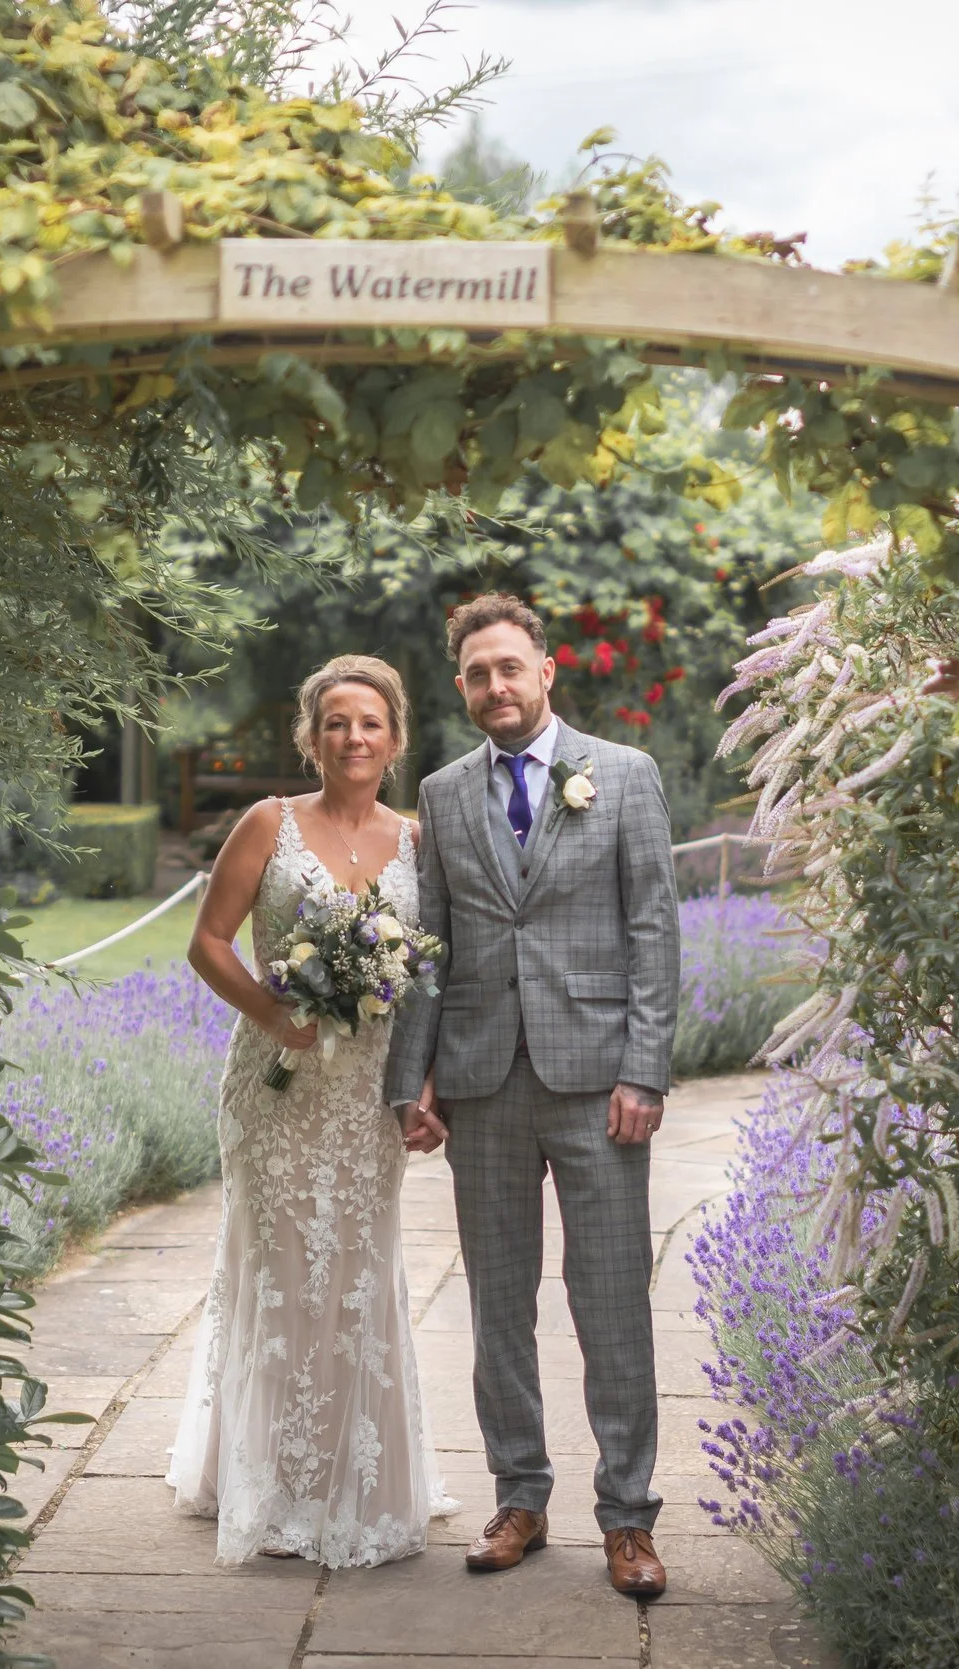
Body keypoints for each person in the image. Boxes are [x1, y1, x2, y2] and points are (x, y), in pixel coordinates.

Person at [384, 594, 681, 1598]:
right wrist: (409, 1083)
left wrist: (645, 1069)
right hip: (480, 1083)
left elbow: (652, 931)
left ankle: (629, 1517)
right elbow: (430, 951)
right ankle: (519, 1496)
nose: (495, 687)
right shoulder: (441, 792)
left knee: (608, 1305)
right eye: (476, 674)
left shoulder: (624, 776)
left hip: (599, 1081)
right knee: (497, 1303)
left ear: (546, 670)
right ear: (461, 684)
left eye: (509, 668)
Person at [166, 655, 455, 1567]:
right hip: (277, 1088)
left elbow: (436, 979)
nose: (353, 737)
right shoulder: (269, 825)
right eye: (335, 722)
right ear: (311, 736)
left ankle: (358, 1477)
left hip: (370, 1093)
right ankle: (269, 1481)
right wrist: (271, 1012)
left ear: (395, 739)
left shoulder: (419, 841)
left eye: (370, 723)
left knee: (358, 1271)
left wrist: (427, 1085)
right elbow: (207, 941)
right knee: (280, 1266)